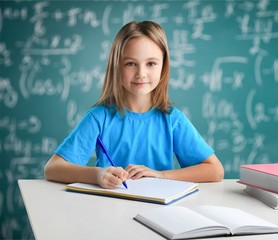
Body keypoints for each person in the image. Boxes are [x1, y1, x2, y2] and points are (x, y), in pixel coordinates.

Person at [44, 21, 224, 189]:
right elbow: (53, 168)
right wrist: (98, 175)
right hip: (108, 211)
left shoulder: (172, 119)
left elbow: (215, 170)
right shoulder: (99, 117)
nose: (141, 73)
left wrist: (161, 175)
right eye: (131, 64)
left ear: (163, 67)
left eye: (151, 63)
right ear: (117, 66)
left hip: (160, 213)